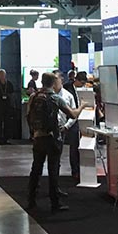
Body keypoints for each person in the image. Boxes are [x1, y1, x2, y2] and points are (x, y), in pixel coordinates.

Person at [27, 72, 84, 212]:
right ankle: (55, 202)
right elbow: (73, 114)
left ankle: (31, 200)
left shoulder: (34, 97)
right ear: (53, 83)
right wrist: (82, 106)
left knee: (36, 169)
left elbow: (28, 115)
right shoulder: (56, 98)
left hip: (38, 137)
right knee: (53, 170)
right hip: (53, 139)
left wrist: (33, 132)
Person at [62, 71, 88, 182]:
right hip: (71, 119)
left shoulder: (85, 89)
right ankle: (75, 171)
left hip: (83, 118)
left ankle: (83, 170)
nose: (82, 85)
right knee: (74, 146)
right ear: (76, 80)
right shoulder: (67, 88)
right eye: (81, 83)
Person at [0, 68, 14, 144]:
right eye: (0, 74)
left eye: (3, 74)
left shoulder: (9, 84)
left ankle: (7, 138)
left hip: (7, 105)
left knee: (7, 121)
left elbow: (12, 94)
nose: (2, 76)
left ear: (5, 75)